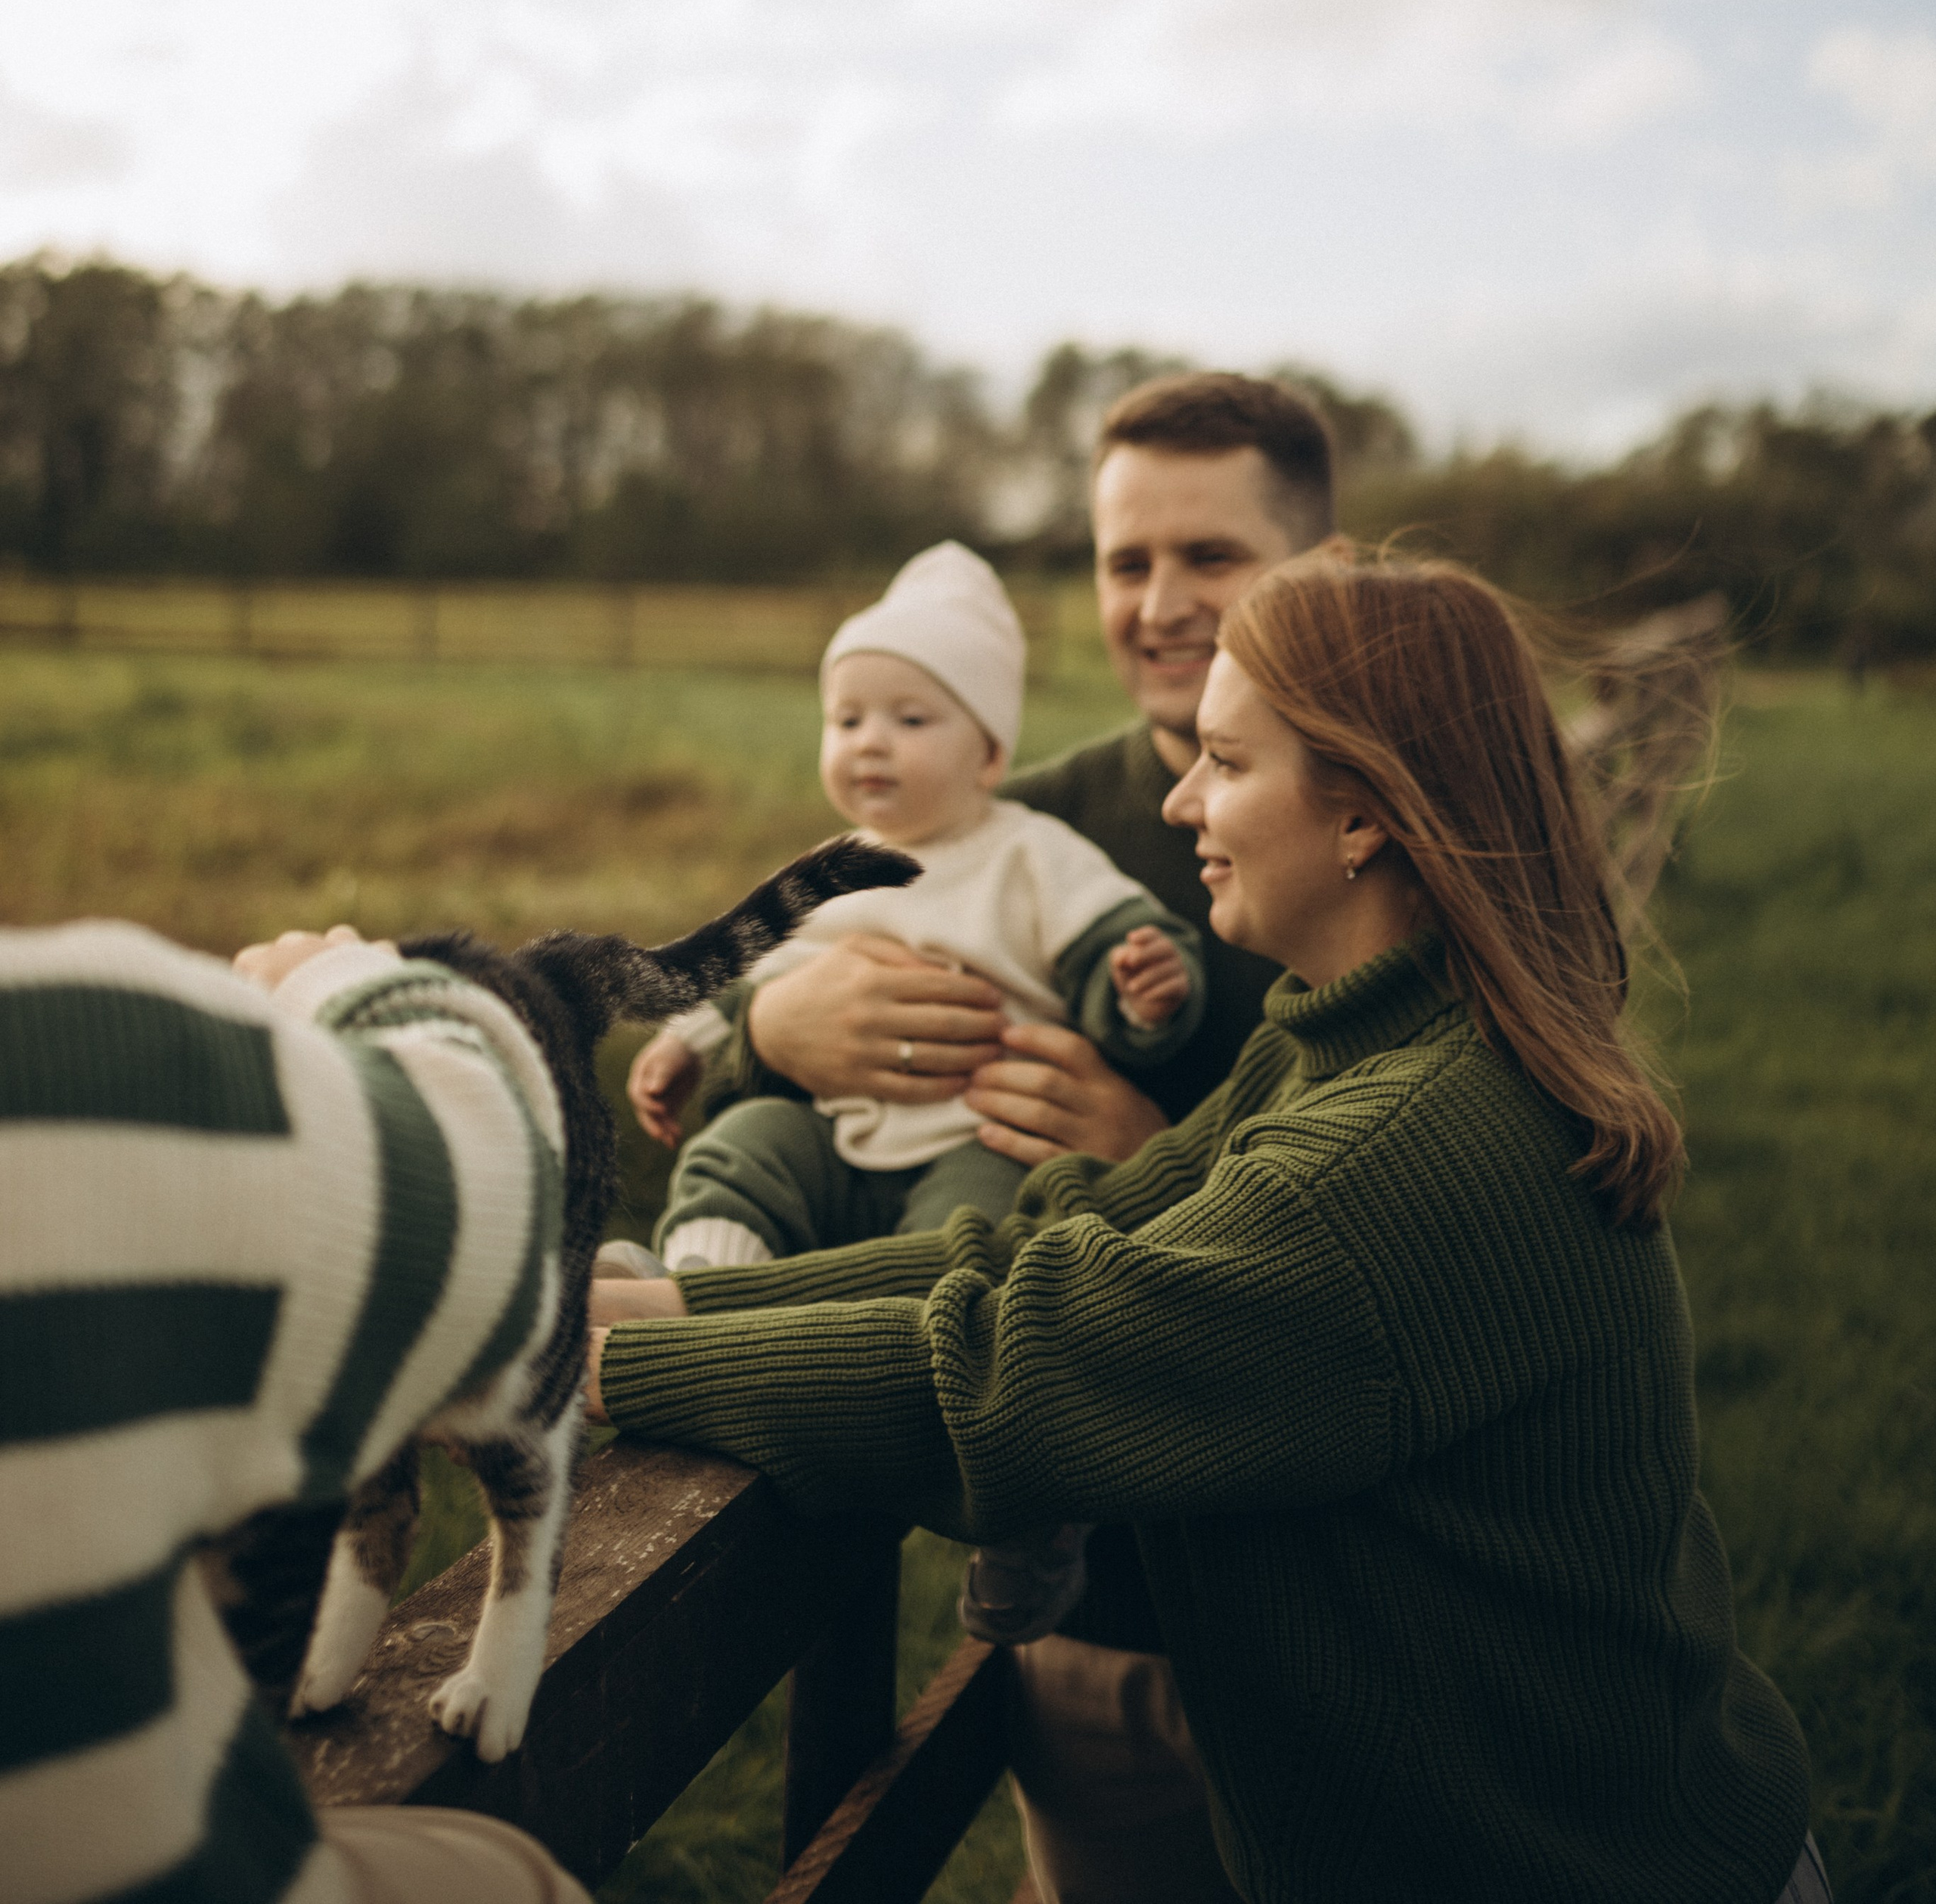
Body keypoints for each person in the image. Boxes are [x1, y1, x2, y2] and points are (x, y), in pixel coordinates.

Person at [585, 550, 1829, 1904]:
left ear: (1362, 815)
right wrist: (674, 1308)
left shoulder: (1394, 1156)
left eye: (1228, 765)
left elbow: (1019, 1377)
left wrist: (609, 1371)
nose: (1178, 800)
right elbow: (1049, 1240)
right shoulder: (1357, 1043)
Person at [625, 370, 1334, 1896]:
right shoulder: (1022, 806)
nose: (1157, 602)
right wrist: (766, 1031)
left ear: (1310, 568)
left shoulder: (1353, 841)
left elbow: (1377, 1187)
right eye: (1122, 561)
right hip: (1091, 1595)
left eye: (1209, 557)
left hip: (1321, 1588)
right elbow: (764, 980)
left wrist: (1148, 1148)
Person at [0, 915, 592, 1904]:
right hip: (178, 1871)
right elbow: (502, 1195)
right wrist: (341, 982)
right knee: (507, 1876)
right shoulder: (71, 1054)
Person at [628, 541, 1203, 1277]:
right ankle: (703, 1282)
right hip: (837, 1127)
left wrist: (1141, 993)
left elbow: (1109, 938)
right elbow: (747, 965)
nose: (870, 743)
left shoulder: (1028, 853)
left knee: (969, 1231)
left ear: (989, 756)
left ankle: (897, 1347)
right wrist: (682, 1041)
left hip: (981, 1132)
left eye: (909, 721)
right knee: (742, 1144)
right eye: (846, 721)